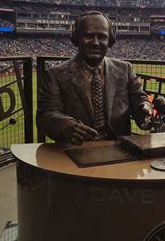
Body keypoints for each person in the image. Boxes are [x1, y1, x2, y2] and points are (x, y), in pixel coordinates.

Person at [37, 11, 152, 145]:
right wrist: (67, 126)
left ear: (110, 40)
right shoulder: (55, 75)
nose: (95, 42)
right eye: (88, 36)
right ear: (76, 38)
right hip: (75, 150)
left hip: (119, 150)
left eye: (102, 37)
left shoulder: (125, 69)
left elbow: (140, 99)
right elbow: (44, 116)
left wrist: (144, 108)